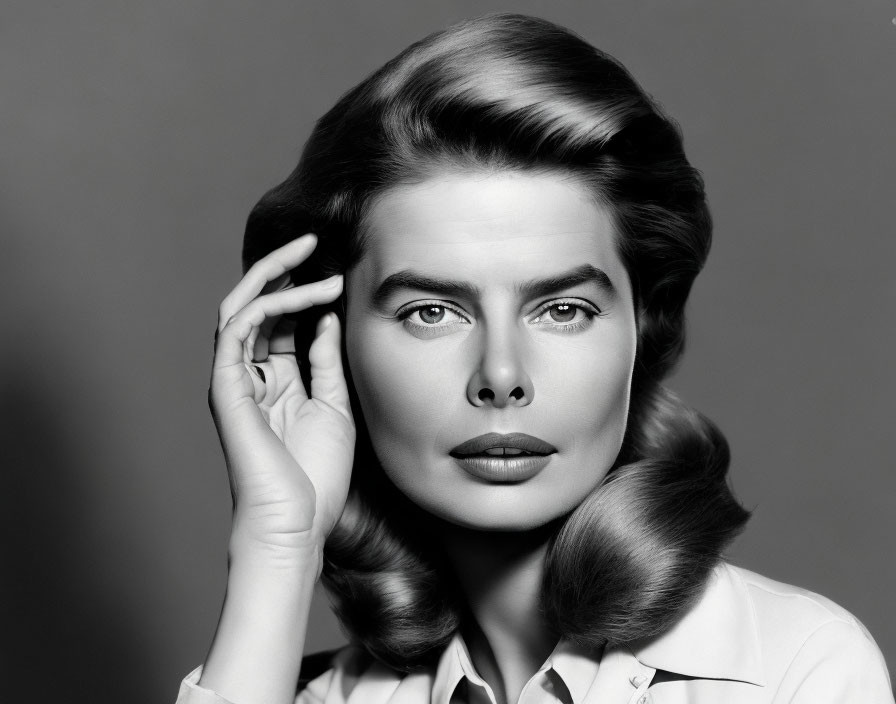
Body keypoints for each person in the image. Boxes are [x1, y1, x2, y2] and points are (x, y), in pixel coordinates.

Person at [177, 13, 893, 704]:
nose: (501, 377)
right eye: (433, 312)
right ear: (332, 343)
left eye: (562, 310)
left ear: (640, 332)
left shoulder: (796, 673)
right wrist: (279, 543)